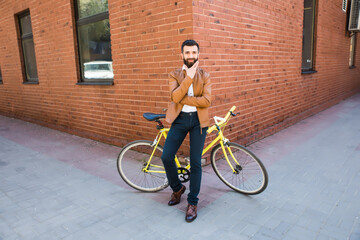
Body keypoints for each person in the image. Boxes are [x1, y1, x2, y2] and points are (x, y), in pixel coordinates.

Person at [161, 40, 211, 222]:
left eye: (194, 52)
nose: (191, 56)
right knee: (166, 156)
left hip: (199, 121)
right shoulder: (174, 74)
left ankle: (193, 203)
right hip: (180, 120)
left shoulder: (205, 75)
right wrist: (188, 77)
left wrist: (183, 99)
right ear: (181, 54)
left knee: (196, 162)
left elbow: (207, 101)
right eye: (187, 53)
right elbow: (174, 97)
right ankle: (177, 188)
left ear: (198, 53)